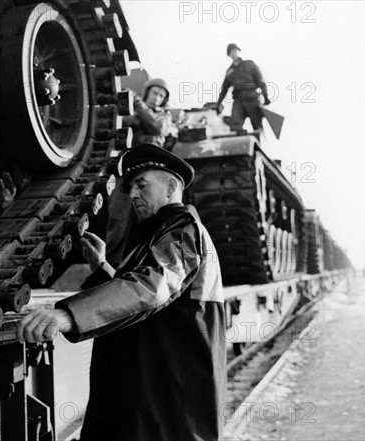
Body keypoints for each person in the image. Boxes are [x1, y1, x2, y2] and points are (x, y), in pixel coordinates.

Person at [17, 143, 226, 441]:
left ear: (170, 187)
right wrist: (102, 266)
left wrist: (70, 314)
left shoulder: (183, 228)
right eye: (130, 189)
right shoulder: (158, 233)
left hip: (170, 410)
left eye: (142, 185)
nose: (133, 196)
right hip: (152, 397)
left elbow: (151, 287)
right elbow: (155, 305)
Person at [107, 78, 173, 267]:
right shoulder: (135, 111)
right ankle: (109, 270)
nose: (158, 98)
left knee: (150, 222)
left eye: (162, 95)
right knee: (117, 223)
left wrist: (139, 105)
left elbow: (157, 126)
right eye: (155, 93)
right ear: (147, 92)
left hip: (151, 175)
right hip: (127, 172)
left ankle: (147, 268)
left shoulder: (164, 116)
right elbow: (122, 125)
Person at [217, 43, 271, 131]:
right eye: (232, 51)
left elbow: (261, 82)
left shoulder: (250, 65)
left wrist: (266, 97)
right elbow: (224, 90)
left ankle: (258, 144)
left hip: (252, 99)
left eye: (236, 50)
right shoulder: (229, 71)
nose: (234, 53)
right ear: (229, 54)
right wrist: (218, 104)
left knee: (257, 126)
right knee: (235, 126)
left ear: (239, 51)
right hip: (238, 101)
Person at [123, 78, 173, 147]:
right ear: (147, 92)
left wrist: (138, 103)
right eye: (154, 93)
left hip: (149, 154)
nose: (157, 99)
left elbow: (157, 128)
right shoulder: (133, 109)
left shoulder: (165, 115)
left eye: (161, 96)